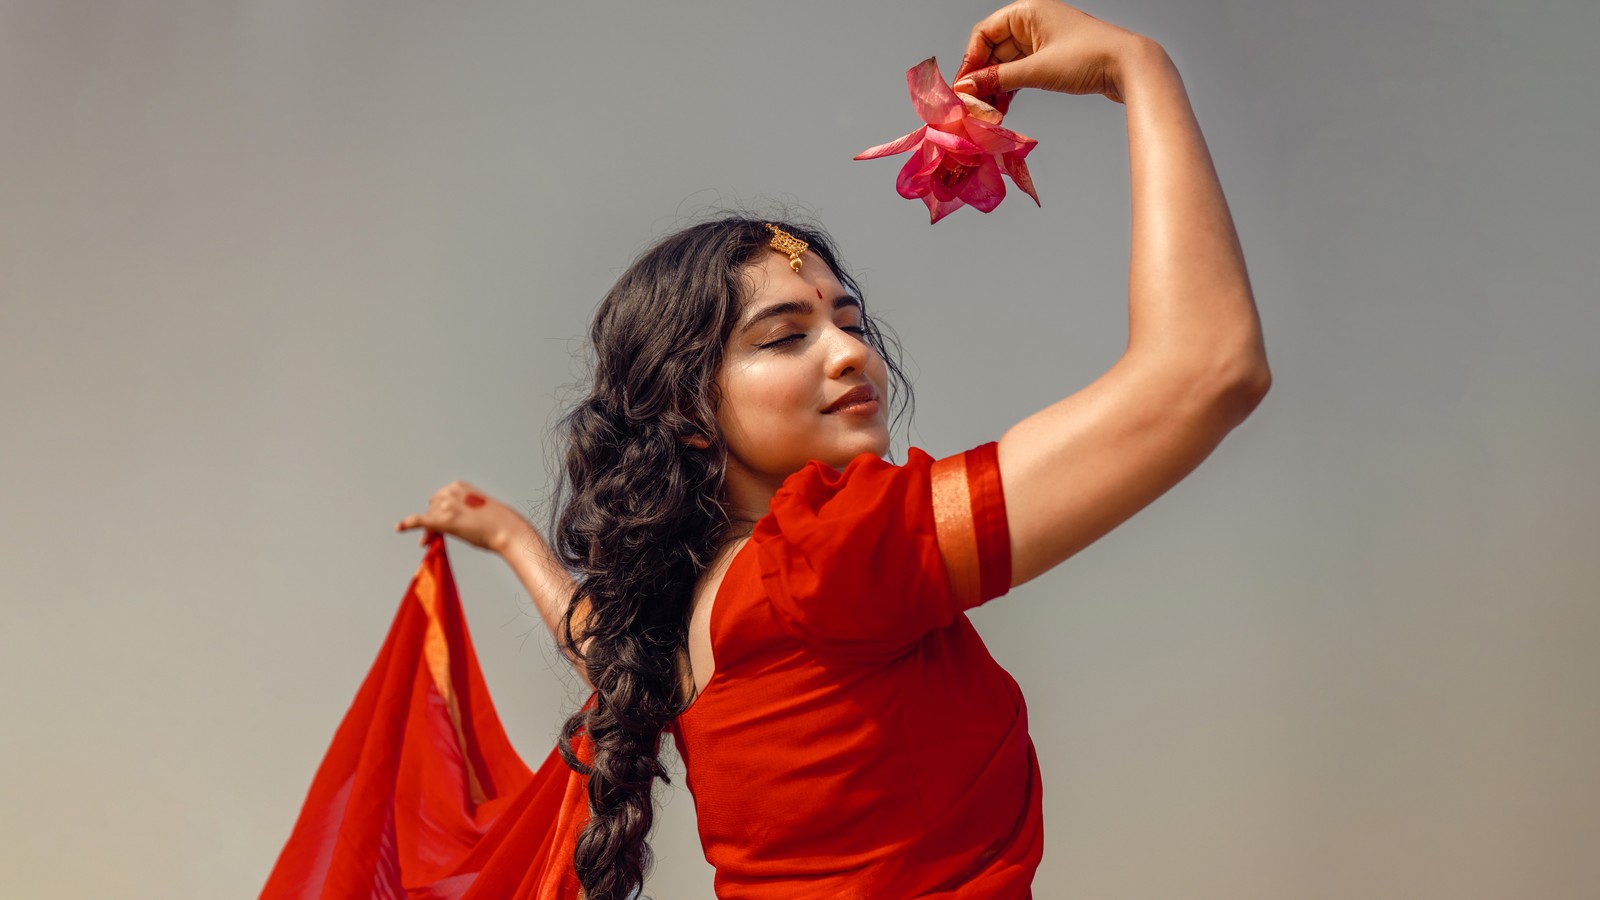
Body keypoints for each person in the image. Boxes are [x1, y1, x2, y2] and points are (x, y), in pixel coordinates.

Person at [395, 2, 1270, 897]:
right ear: (687, 410)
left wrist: (510, 538)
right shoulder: (826, 558)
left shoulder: (694, 617)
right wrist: (1140, 68)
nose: (851, 351)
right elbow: (1206, 370)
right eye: (785, 337)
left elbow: (597, 645)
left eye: (848, 322)